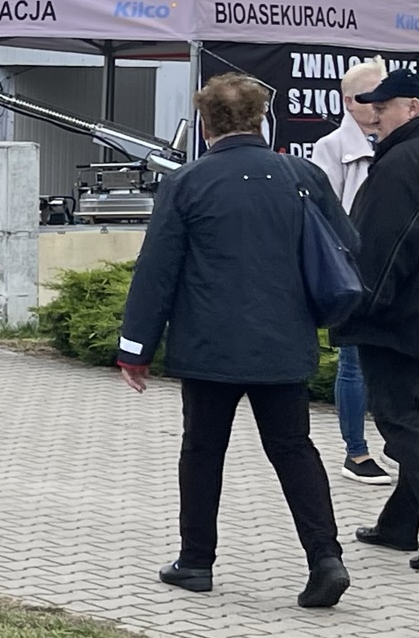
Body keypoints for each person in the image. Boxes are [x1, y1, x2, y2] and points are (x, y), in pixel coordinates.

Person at [115, 73, 355, 608]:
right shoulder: (304, 176)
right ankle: (326, 558)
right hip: (284, 341)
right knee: (294, 449)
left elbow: (157, 271)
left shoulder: (188, 182)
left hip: (209, 346)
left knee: (202, 450)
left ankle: (196, 562)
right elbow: (346, 246)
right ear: (261, 118)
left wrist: (135, 349)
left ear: (205, 124)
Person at [332, 69, 419, 570]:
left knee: (400, 422)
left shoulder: (402, 163)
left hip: (401, 321)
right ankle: (399, 524)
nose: (374, 118)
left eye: (382, 108)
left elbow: (382, 248)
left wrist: (356, 308)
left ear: (411, 108)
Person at [311, 60, 388, 485]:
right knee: (353, 361)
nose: (376, 105)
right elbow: (327, 213)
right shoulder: (331, 147)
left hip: (393, 265)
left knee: (391, 359)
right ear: (348, 102)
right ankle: (356, 451)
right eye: (367, 97)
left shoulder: (395, 139)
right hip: (354, 266)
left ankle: (395, 442)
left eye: (382, 95)